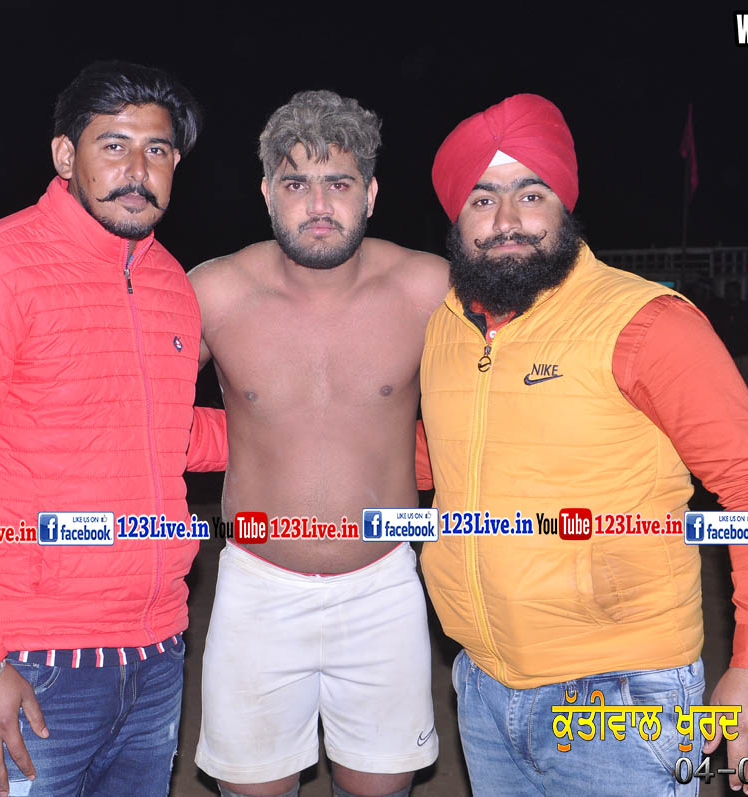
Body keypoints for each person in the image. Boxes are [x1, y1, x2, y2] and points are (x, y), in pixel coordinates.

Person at [419, 94, 748, 797]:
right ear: (457, 219)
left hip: (621, 696)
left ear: (564, 205)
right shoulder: (443, 327)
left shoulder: (646, 322)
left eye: (529, 194)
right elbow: (436, 456)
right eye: (481, 199)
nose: (506, 221)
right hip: (481, 686)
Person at [0, 61, 225, 797]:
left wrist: (320, 435)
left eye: (158, 150)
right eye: (114, 145)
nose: (137, 171)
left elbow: (165, 431)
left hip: (158, 653)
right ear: (66, 155)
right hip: (34, 661)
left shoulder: (172, 284)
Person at [189, 90, 449, 797]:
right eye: (296, 184)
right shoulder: (214, 292)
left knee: (381, 789)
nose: (318, 204)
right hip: (257, 587)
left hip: (384, 585)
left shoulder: (429, 287)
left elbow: (503, 403)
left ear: (370, 193)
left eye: (338, 183)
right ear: (266, 193)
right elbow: (136, 415)